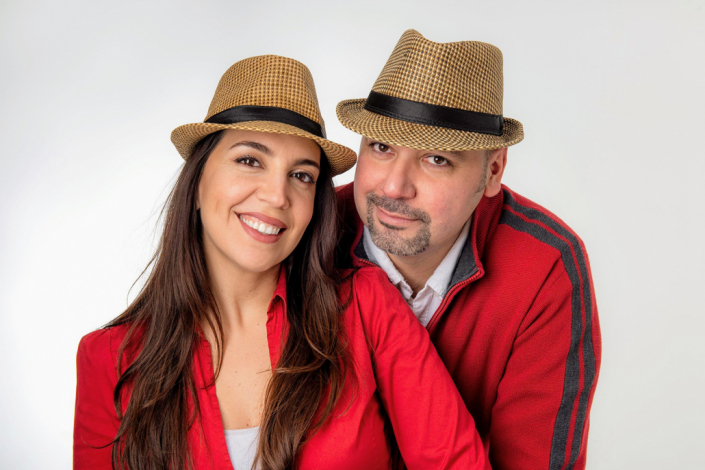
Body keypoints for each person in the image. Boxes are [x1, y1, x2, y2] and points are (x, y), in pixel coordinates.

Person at [73, 55, 490, 470]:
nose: (277, 196)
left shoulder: (366, 308)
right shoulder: (109, 357)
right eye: (250, 160)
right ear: (199, 176)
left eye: (302, 175)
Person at [335, 29, 602, 470]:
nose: (395, 187)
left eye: (436, 158)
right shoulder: (308, 231)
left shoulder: (545, 266)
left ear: (493, 170)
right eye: (381, 147)